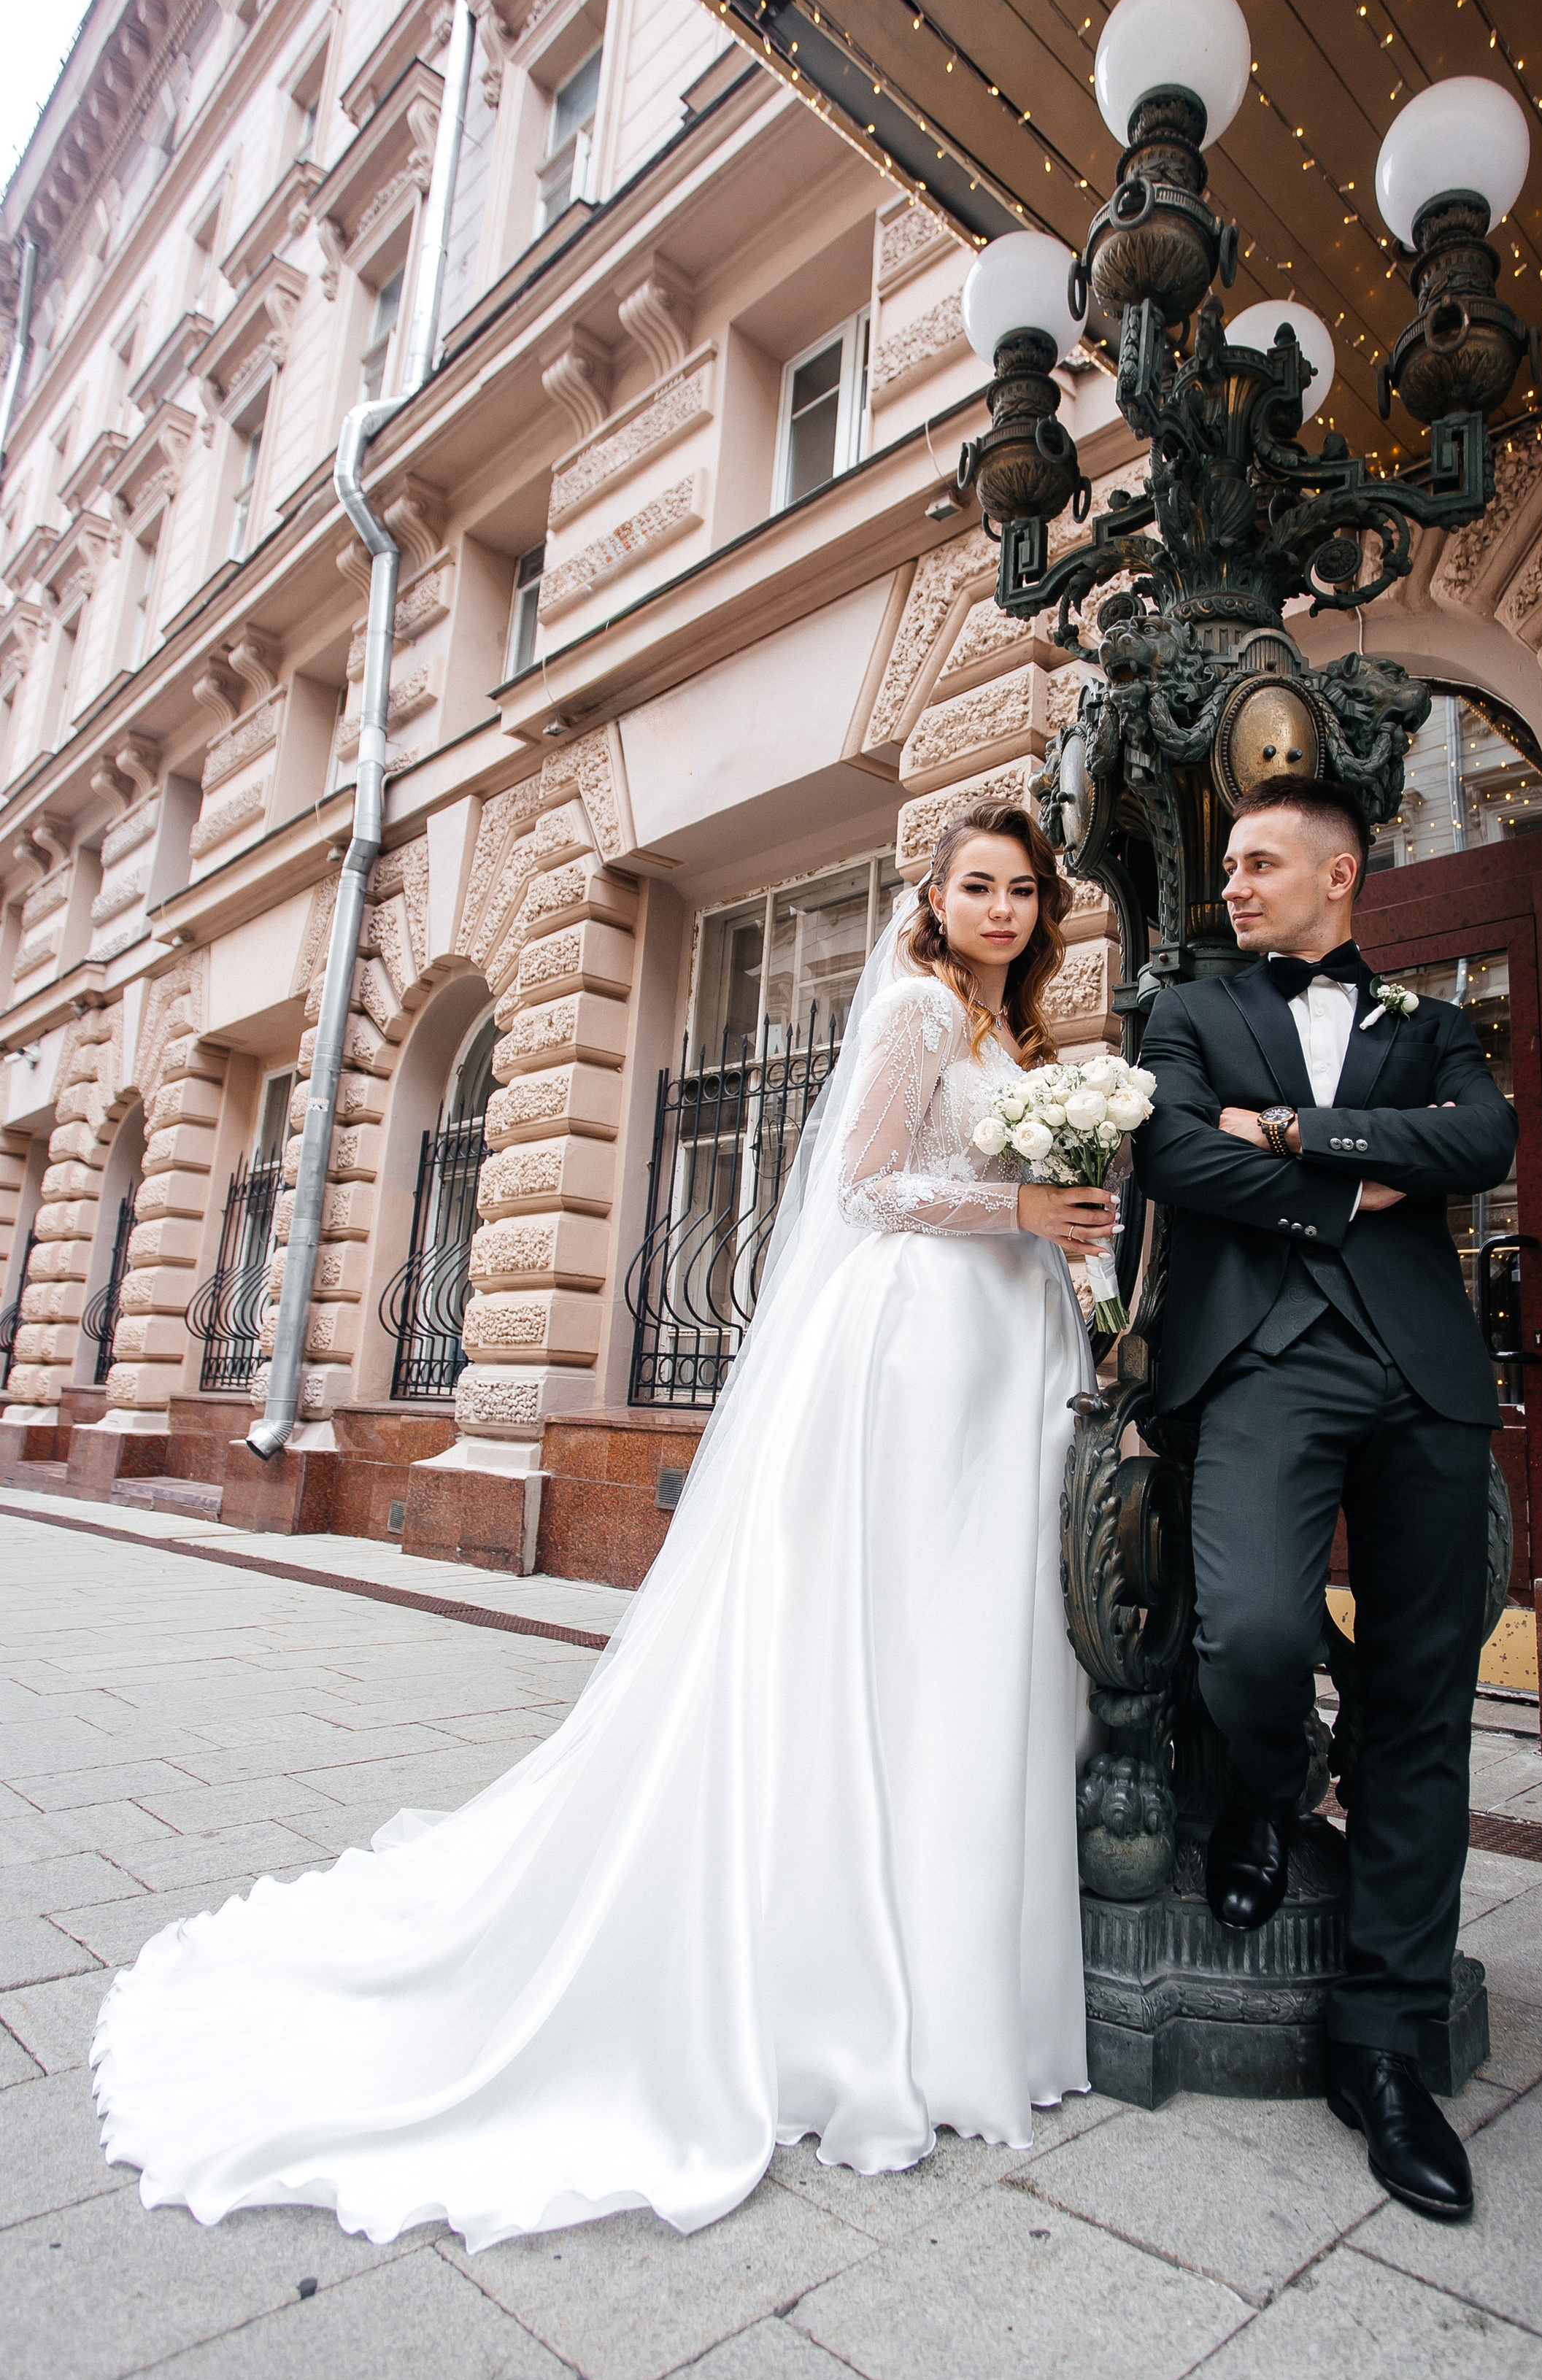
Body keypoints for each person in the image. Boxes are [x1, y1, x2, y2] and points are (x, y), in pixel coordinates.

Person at [91, 800, 1117, 2251]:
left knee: (966, 1635)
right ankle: (863, 1960)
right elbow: (866, 1183)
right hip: (920, 1340)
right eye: (978, 886)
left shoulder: (1014, 1031)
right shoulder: (911, 1009)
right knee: (901, 1623)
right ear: (934, 897)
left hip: (1000, 1345)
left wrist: (1059, 1226)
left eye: (1022, 889)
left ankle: (954, 1953)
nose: (1001, 908)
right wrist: (1018, 1213)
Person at [1133, 777, 1516, 2223]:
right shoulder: (1189, 1012)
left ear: (1340, 873)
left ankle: (1383, 2045)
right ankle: (1262, 1787)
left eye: (1258, 862)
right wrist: (1356, 1182)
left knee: (1420, 1702)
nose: (1231, 883)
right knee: (1248, 1633)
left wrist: (1296, 1134)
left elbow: (1480, 1143)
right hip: (1259, 1366)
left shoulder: (1430, 1025)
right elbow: (1172, 1151)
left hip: (1419, 1374)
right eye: (1228, 863)